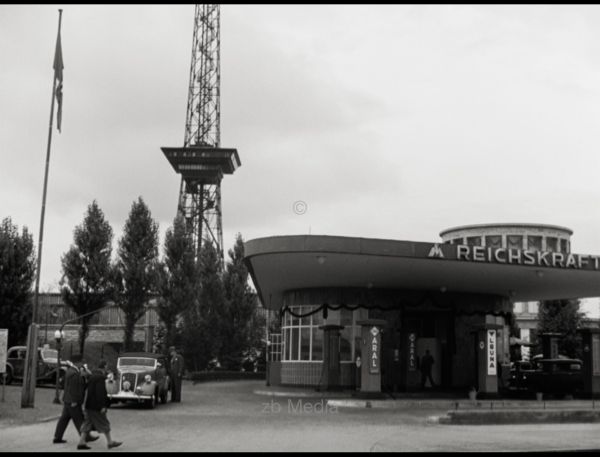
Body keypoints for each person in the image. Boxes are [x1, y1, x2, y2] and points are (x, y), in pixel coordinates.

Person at [53, 354, 99, 444]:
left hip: (68, 400)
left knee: (64, 419)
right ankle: (86, 437)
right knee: (79, 419)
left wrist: (86, 377)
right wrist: (74, 401)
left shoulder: (73, 371)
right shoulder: (74, 373)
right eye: (81, 362)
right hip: (72, 401)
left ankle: (57, 437)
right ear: (78, 362)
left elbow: (80, 386)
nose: (83, 364)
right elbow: (74, 389)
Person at [77, 360, 122, 450]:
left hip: (88, 405)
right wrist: (103, 406)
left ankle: (81, 442)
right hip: (96, 406)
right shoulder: (100, 378)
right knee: (104, 423)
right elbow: (100, 393)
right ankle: (110, 442)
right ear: (105, 367)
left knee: (87, 423)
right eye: (106, 367)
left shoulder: (92, 376)